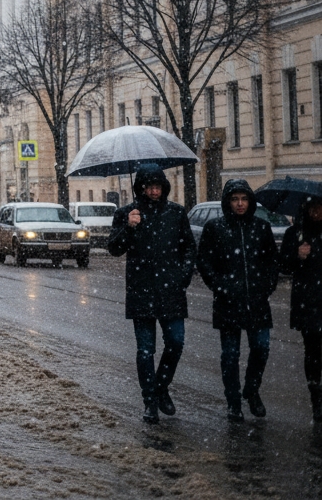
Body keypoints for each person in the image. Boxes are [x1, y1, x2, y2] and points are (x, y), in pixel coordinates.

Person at [107, 164, 196, 424]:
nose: (154, 191)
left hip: (171, 291)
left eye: (158, 186)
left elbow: (189, 248)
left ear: (164, 187)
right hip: (141, 290)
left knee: (176, 343)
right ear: (141, 188)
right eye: (149, 186)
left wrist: (182, 277)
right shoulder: (127, 213)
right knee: (146, 350)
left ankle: (161, 387)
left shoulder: (176, 213)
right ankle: (150, 402)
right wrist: (129, 226)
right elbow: (114, 248)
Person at [196, 180, 279, 421]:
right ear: (228, 202)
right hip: (228, 302)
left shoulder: (261, 227)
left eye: (244, 199)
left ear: (250, 201)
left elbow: (271, 261)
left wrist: (267, 285)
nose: (240, 204)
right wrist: (220, 286)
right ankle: (233, 401)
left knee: (261, 347)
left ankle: (252, 391)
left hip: (257, 300)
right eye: (235, 199)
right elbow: (204, 262)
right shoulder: (215, 227)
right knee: (230, 354)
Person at [281, 197, 322, 422]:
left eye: (320, 207)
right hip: (309, 302)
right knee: (313, 352)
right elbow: (284, 265)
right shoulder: (295, 234)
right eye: (313, 207)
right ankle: (316, 399)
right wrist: (298, 255)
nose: (317, 212)